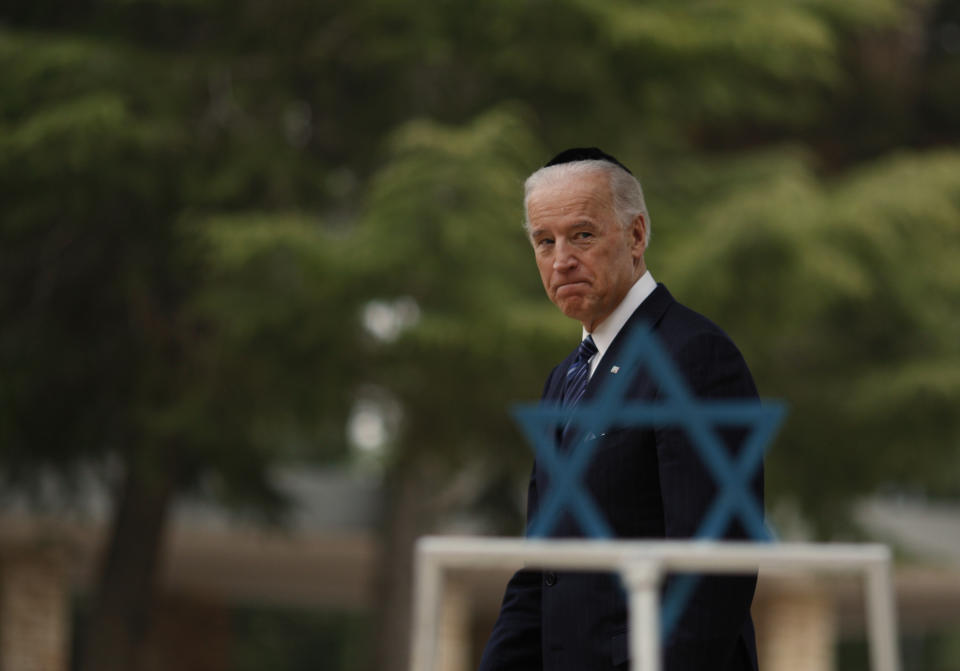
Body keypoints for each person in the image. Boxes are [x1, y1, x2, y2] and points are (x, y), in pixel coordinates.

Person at [478, 148, 763, 671]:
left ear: (636, 236)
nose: (561, 258)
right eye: (544, 241)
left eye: (582, 235)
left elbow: (712, 573)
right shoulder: (563, 379)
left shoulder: (694, 356)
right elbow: (543, 571)